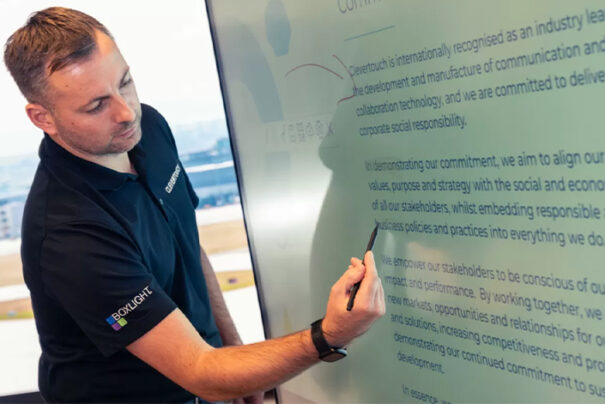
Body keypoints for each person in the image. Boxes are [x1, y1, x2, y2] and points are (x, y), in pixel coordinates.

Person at [4, 7, 385, 403]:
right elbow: (199, 371)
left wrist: (234, 349)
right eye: (96, 105)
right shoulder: (69, 235)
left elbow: (186, 243)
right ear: (42, 118)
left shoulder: (147, 130)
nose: (126, 112)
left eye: (125, 82)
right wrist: (330, 335)